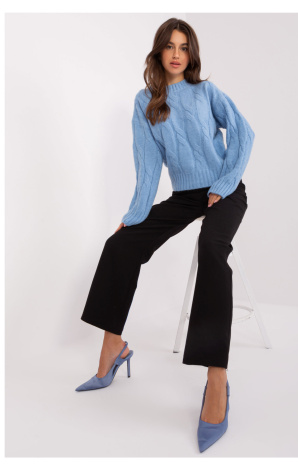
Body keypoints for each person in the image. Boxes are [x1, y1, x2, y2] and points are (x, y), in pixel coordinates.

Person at [75, 18, 255, 453]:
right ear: (158, 52)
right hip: (186, 195)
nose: (177, 54)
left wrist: (224, 183)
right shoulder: (146, 102)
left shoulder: (206, 92)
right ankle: (114, 347)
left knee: (211, 248)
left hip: (225, 191)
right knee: (120, 244)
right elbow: (147, 163)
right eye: (170, 46)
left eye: (184, 47)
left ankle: (216, 378)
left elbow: (243, 133)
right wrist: (135, 215)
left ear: (192, 54)